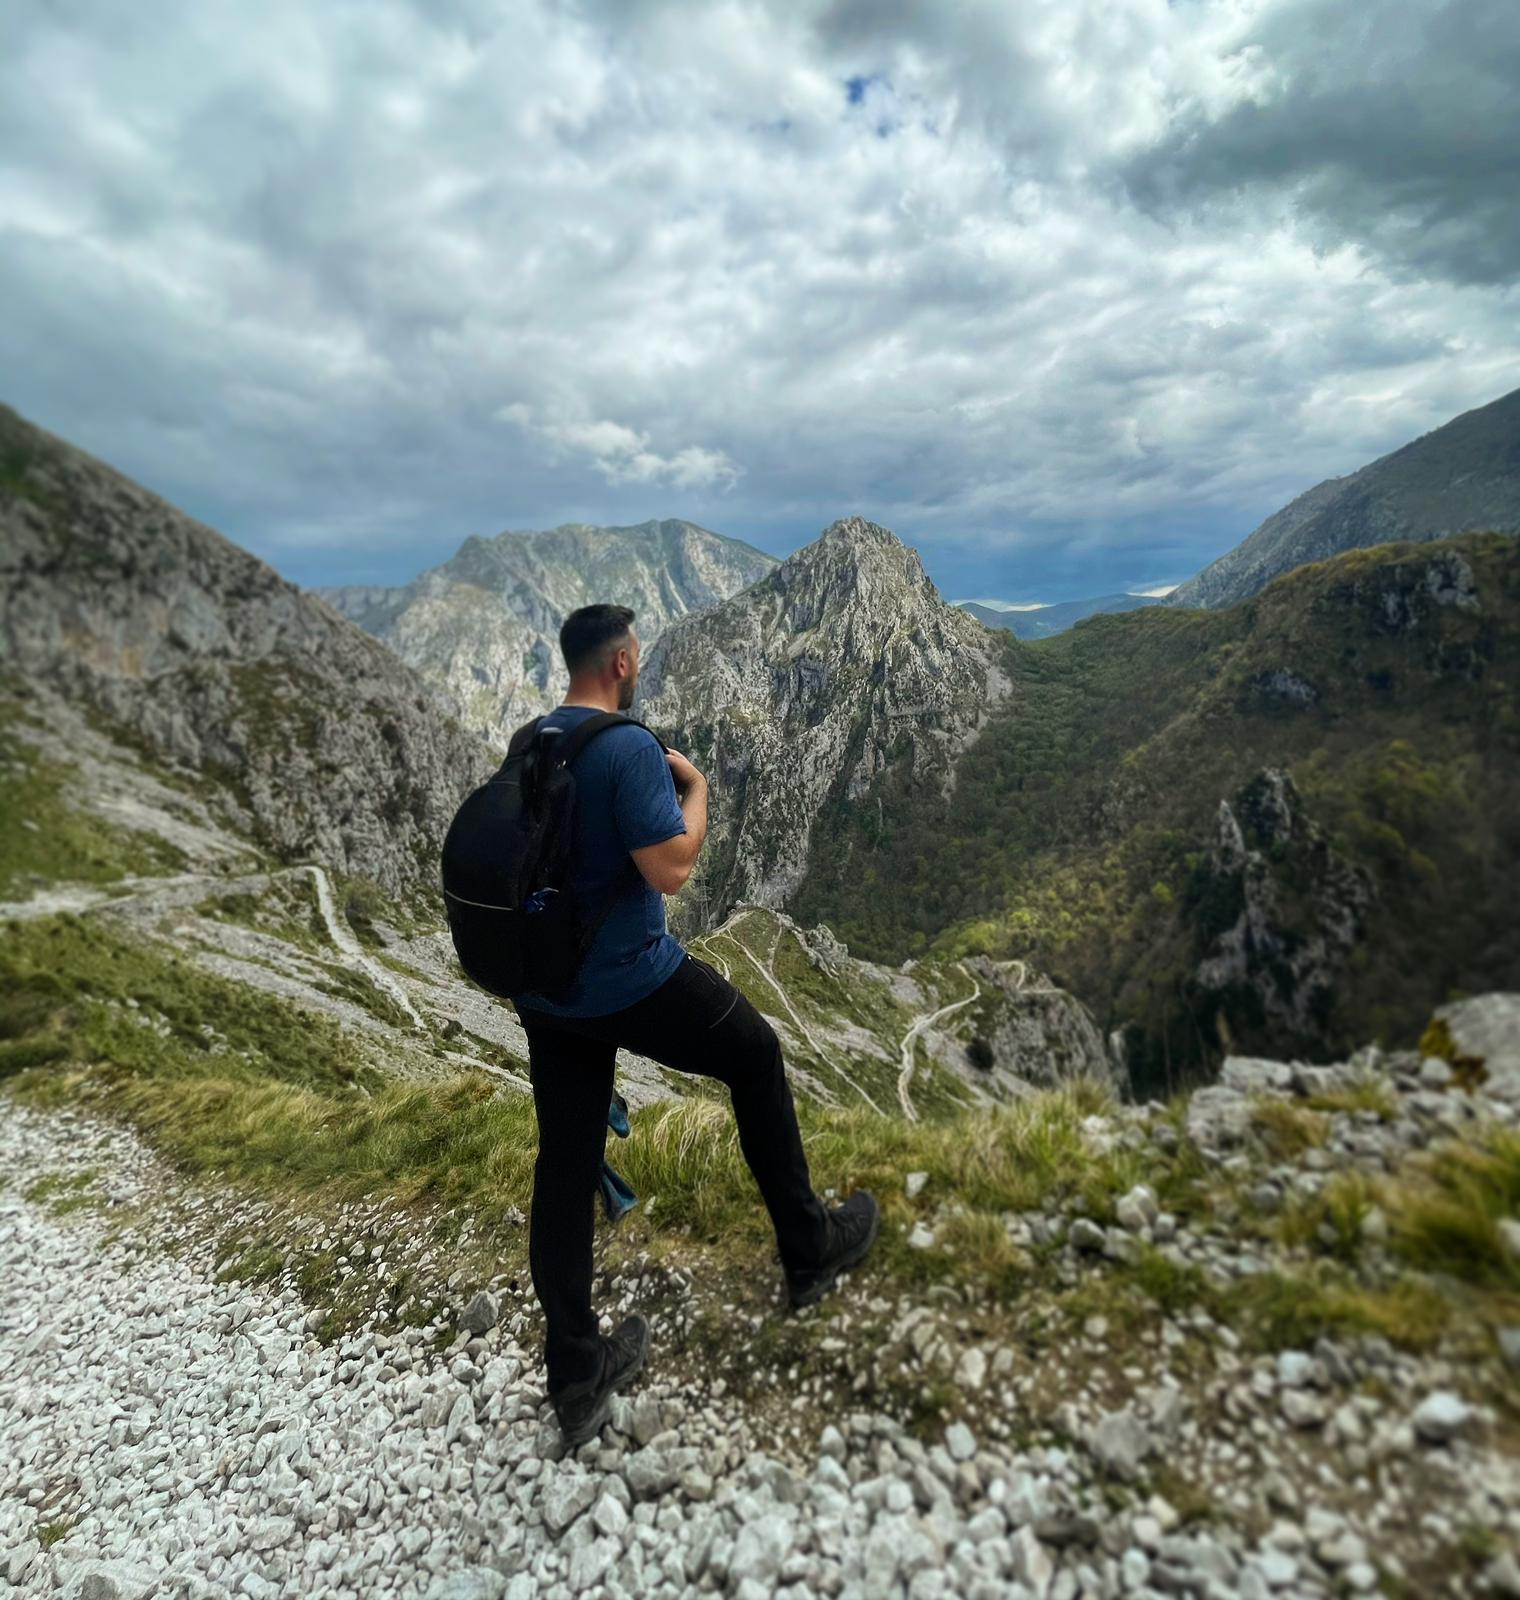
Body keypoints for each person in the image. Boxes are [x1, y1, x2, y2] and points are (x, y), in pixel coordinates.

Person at [511, 602, 880, 1446]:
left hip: (547, 993)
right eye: (635, 655)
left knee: (564, 1162)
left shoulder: (532, 742)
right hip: (629, 979)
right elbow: (672, 870)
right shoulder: (628, 748)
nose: (637, 663)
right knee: (755, 1056)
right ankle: (810, 1247)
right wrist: (700, 794)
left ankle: (574, 1367)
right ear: (620, 666)